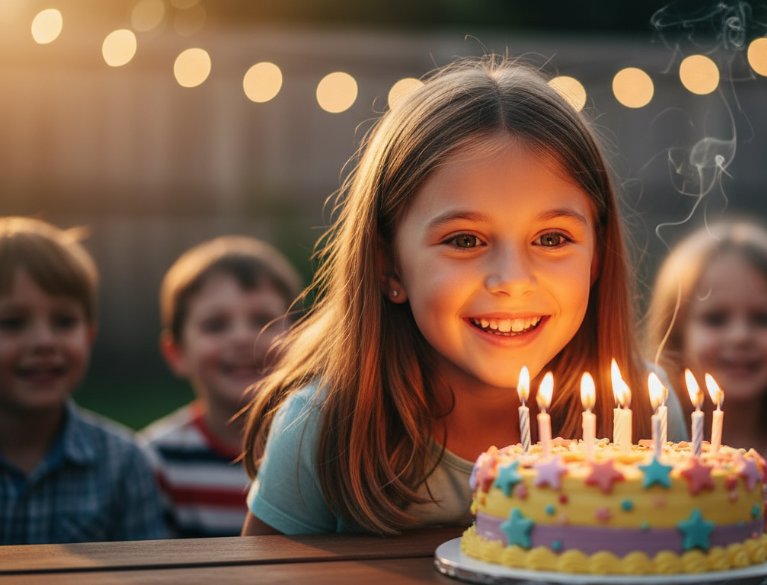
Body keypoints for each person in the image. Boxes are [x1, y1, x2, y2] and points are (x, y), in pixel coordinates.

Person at [240, 56, 687, 536]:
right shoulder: (324, 430)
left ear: (597, 258)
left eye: (552, 239)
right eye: (465, 240)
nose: (512, 280)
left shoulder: (647, 413)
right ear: (388, 264)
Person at [646, 220, 767, 510]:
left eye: (763, 318)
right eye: (716, 318)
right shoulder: (649, 446)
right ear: (677, 336)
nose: (741, 337)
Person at [0, 216, 167, 544]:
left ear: (89, 335)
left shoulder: (123, 463)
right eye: (13, 322)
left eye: (64, 321)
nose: (44, 342)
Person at [140, 236, 303, 537]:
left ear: (298, 338)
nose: (242, 337)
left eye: (263, 320)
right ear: (177, 354)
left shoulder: (314, 450)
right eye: (215, 325)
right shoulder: (156, 461)